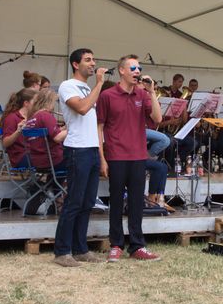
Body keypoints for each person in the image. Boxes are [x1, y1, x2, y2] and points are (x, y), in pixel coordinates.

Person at [98, 54, 162, 262]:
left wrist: (151, 92)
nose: (137, 71)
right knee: (116, 201)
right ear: (122, 71)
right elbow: (99, 127)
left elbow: (157, 118)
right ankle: (116, 244)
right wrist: (102, 157)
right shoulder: (107, 95)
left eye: (139, 68)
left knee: (136, 202)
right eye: (133, 68)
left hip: (138, 155)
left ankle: (137, 245)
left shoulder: (142, 94)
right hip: (116, 155)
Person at [53, 49, 107, 267]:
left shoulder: (87, 88)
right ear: (76, 64)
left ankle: (80, 248)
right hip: (77, 149)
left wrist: (101, 156)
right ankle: (62, 251)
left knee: (87, 202)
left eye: (94, 59)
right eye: (88, 60)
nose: (93, 63)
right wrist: (100, 83)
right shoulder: (68, 86)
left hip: (91, 149)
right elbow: (82, 108)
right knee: (74, 202)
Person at [0, 88, 37, 168]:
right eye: (35, 102)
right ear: (26, 103)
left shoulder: (33, 117)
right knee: (51, 159)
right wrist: (18, 131)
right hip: (21, 157)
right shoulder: (12, 118)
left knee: (58, 155)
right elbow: (5, 143)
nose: (37, 104)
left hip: (34, 152)